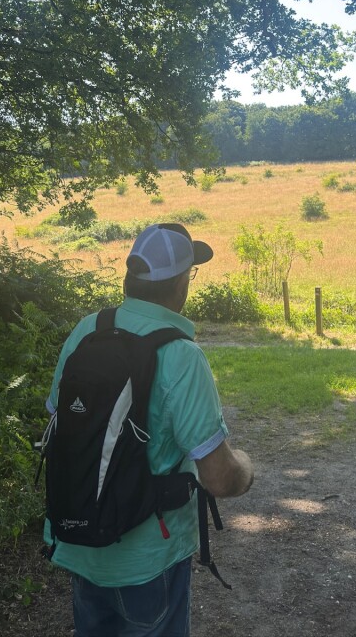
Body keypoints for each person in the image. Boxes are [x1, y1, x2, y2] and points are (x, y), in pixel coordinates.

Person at [44, 222, 254, 637]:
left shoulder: (86, 331)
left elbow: (56, 424)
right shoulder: (181, 355)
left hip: (79, 547)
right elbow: (218, 478)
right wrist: (246, 469)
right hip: (148, 560)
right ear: (180, 283)